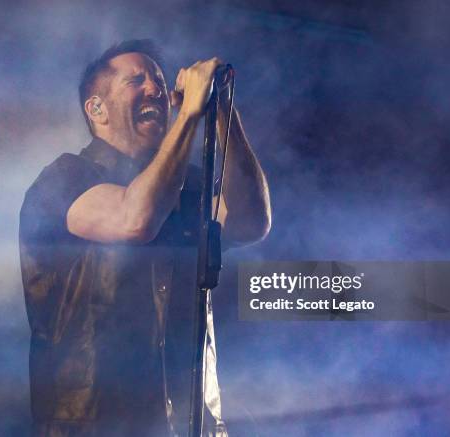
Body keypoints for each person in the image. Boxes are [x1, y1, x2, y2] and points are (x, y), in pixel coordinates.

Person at [19, 39, 271, 437]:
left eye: (158, 80)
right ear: (96, 109)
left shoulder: (187, 187)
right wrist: (190, 114)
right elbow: (134, 219)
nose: (156, 89)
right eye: (136, 80)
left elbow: (252, 222)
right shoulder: (66, 178)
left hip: (190, 426)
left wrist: (222, 111)